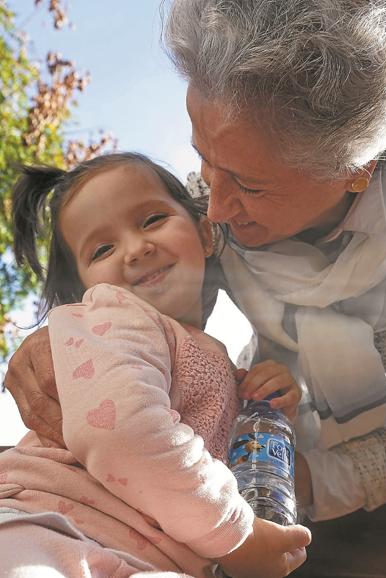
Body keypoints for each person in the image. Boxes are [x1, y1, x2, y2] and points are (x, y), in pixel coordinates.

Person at [5, 0, 386, 527]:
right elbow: (141, 309)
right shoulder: (196, 214)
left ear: (358, 168)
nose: (213, 209)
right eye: (203, 157)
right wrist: (66, 342)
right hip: (249, 442)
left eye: (251, 185)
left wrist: (304, 481)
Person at [0, 153, 311, 578]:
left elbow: (212, 465)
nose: (136, 249)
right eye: (103, 249)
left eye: (152, 220)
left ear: (205, 234)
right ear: (85, 289)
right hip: (45, 523)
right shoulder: (114, 315)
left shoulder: (210, 356)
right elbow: (123, 432)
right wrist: (236, 536)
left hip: (148, 558)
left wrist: (264, 414)